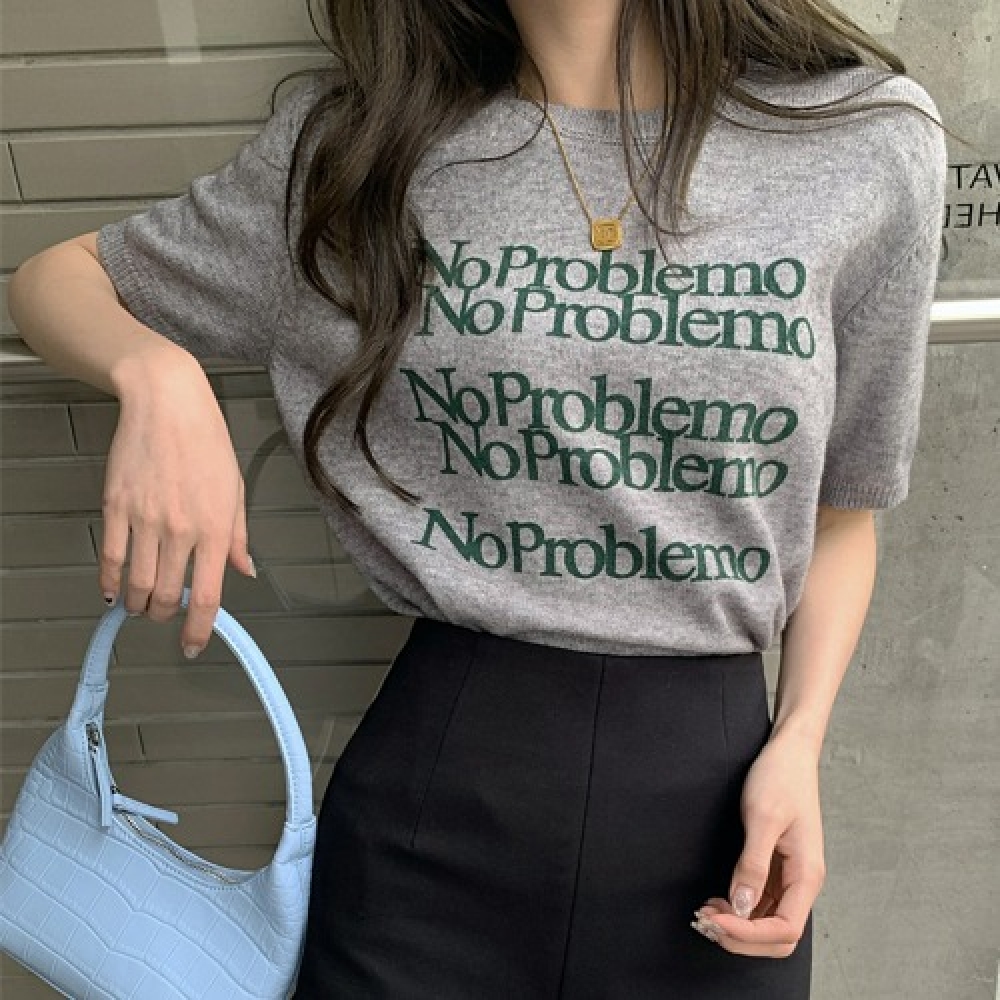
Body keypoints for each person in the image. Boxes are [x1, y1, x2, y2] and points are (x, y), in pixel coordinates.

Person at [8, 0, 949, 996]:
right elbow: (56, 280)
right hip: (431, 825)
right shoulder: (360, 154)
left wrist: (799, 742)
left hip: (718, 827)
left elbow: (841, 512)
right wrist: (158, 378)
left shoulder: (862, 142)